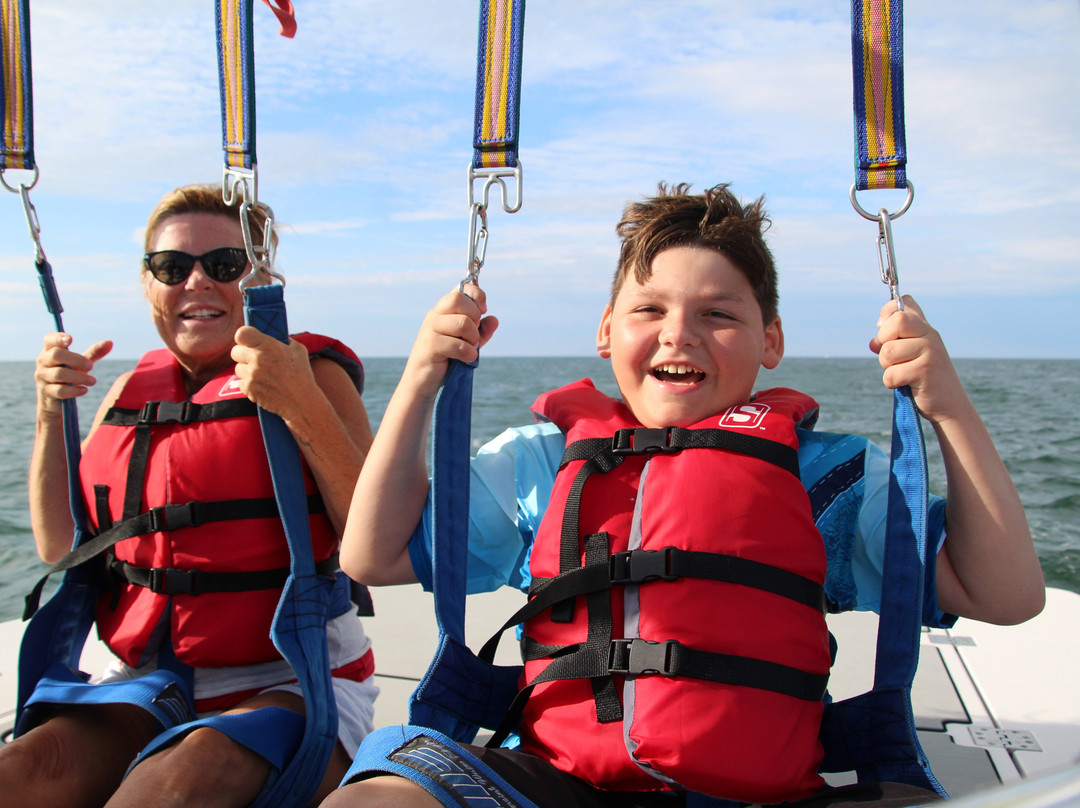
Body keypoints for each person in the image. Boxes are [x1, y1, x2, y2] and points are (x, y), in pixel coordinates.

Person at [323, 182, 1045, 808]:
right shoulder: (541, 465)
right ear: (607, 332)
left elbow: (1004, 596)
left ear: (771, 340)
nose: (680, 336)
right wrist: (421, 379)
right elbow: (372, 554)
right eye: (650, 311)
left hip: (769, 795)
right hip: (555, 782)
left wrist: (948, 406)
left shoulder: (827, 475)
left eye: (718, 315)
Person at [8, 184, 377, 808]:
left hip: (296, 677)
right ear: (149, 283)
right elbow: (57, 546)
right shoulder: (128, 389)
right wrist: (51, 412)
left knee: (175, 785)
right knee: (22, 771)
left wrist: (299, 402)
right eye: (172, 268)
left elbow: (379, 543)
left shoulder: (312, 373)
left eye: (225, 266)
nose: (197, 283)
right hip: (143, 680)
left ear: (260, 277)